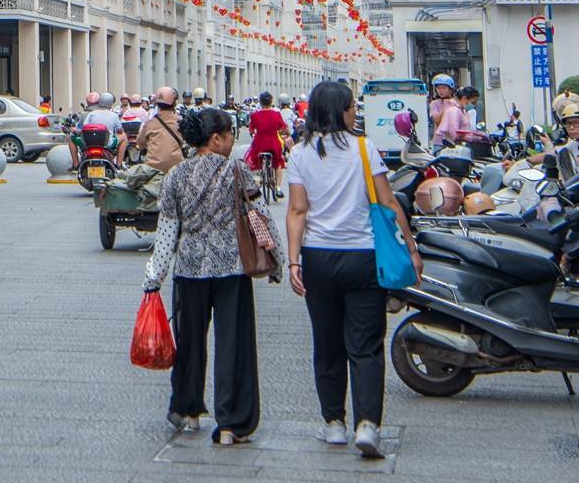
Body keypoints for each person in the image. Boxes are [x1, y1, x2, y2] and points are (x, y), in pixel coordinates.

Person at [285, 80, 421, 459]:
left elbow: (297, 210)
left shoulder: (300, 153)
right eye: (350, 107)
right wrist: (411, 248)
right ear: (339, 111)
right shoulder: (365, 148)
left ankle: (333, 424)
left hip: (318, 259)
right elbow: (388, 200)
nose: (354, 113)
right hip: (363, 258)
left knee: (327, 344)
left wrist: (294, 259)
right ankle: (367, 425)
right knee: (365, 345)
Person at [142, 107, 265, 445]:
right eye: (229, 136)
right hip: (231, 270)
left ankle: (187, 409)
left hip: (190, 270)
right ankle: (230, 423)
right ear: (216, 138)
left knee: (190, 342)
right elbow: (260, 217)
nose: (232, 143)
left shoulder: (176, 176)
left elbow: (167, 232)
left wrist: (154, 277)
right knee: (233, 344)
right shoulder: (238, 171)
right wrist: (279, 263)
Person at [243, 91, 289, 197]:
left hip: (259, 144)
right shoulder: (277, 114)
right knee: (277, 164)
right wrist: (285, 133)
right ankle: (278, 188)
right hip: (273, 143)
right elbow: (284, 128)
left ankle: (259, 178)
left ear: (260, 102)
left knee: (255, 160)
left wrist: (252, 135)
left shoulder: (255, 115)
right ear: (271, 101)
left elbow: (251, 130)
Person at [137, 87, 187, 172]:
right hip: (176, 166)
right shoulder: (180, 121)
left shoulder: (150, 123)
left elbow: (140, 143)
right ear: (174, 103)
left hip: (153, 168)